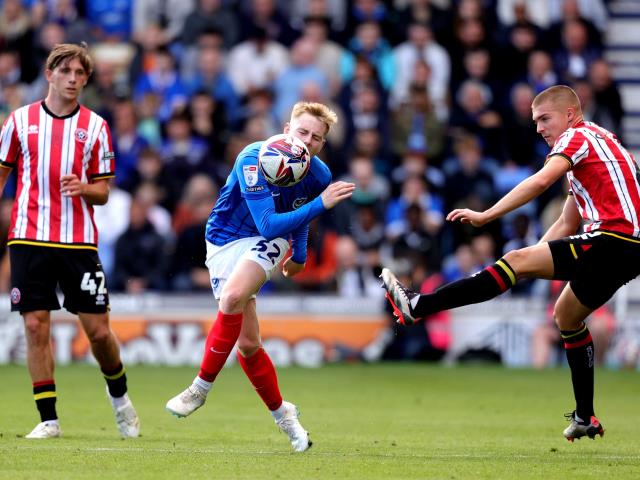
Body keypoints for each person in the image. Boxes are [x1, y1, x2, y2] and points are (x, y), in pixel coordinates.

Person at [381, 84, 640, 442]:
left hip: (616, 241)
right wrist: (527, 263)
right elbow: (567, 221)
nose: (538, 128)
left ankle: (418, 304)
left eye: (544, 119)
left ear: (569, 114)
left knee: (518, 262)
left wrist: (488, 215)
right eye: (534, 122)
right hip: (626, 250)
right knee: (566, 316)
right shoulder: (596, 144)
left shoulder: (577, 137)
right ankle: (585, 416)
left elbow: (540, 181)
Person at [165, 102, 355, 452]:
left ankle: (199, 389)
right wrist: (323, 204)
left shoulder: (319, 175)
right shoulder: (253, 158)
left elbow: (295, 214)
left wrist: (298, 254)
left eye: (316, 137)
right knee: (249, 345)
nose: (308, 141)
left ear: (322, 144)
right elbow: (271, 218)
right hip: (224, 239)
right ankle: (284, 414)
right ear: (286, 129)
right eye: (302, 132)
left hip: (268, 241)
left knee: (232, 298)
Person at [0, 43, 140, 439]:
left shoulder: (95, 126)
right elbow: (3, 172)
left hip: (78, 242)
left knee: (98, 332)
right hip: (28, 237)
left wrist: (84, 188)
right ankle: (48, 419)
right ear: (49, 74)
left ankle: (120, 398)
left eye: (80, 74)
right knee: (35, 324)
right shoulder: (19, 121)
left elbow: (104, 191)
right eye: (66, 72)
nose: (73, 79)